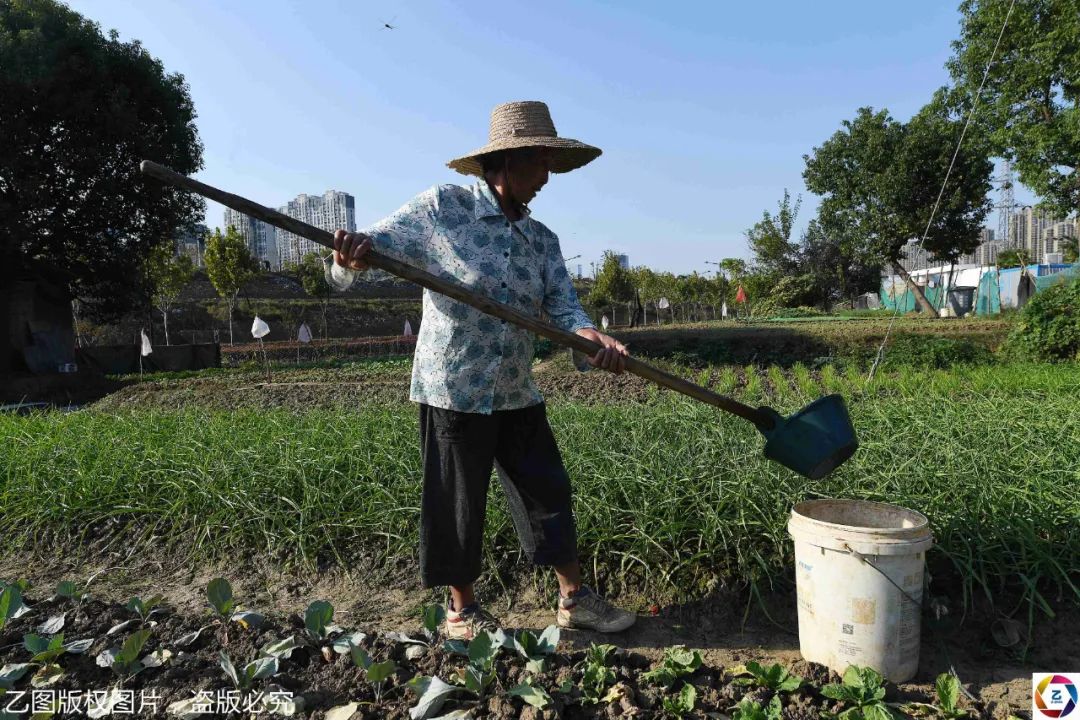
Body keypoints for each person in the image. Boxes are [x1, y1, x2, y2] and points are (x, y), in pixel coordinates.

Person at [325, 100, 635, 639]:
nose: (546, 178)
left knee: (549, 491)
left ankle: (574, 600)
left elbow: (565, 311)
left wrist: (590, 339)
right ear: (508, 161)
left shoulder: (541, 241)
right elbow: (367, 255)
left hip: (515, 387)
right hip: (453, 388)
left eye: (550, 166)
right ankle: (462, 612)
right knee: (459, 503)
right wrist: (348, 258)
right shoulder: (444, 208)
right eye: (540, 163)